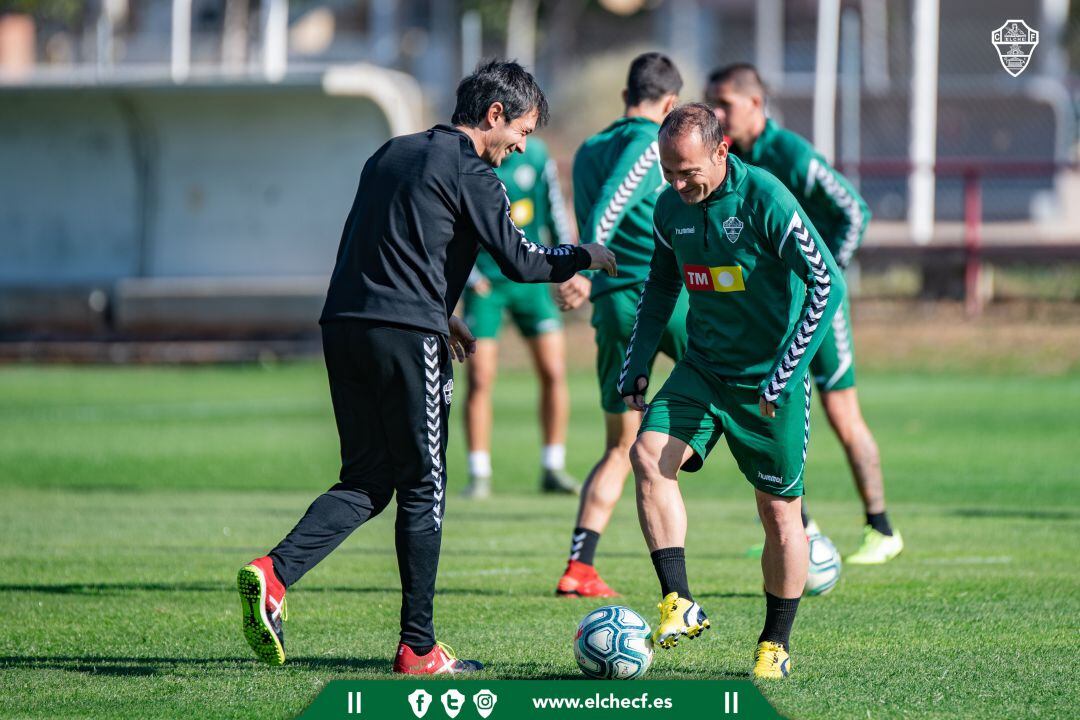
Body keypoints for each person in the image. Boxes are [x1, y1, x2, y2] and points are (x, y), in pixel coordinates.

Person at [235, 60, 616, 674]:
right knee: (424, 486)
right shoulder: (472, 169)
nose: (522, 145)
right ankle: (418, 647)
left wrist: (440, 313)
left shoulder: (391, 152)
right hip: (405, 334)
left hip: (345, 325)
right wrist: (587, 256)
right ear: (494, 115)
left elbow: (378, 242)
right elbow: (522, 262)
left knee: (367, 479)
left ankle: (273, 572)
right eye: (520, 130)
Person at [621, 104, 845, 678]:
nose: (675, 183)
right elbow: (663, 282)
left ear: (722, 151)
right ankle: (679, 601)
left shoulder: (765, 198)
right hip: (703, 368)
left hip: (771, 380)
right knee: (647, 454)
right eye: (668, 171)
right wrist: (638, 361)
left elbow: (828, 282)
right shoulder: (671, 206)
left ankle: (775, 643)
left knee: (778, 514)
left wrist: (786, 372)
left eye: (687, 170)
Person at [705, 63, 902, 564]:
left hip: (816, 309)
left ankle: (881, 527)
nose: (718, 113)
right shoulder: (722, 161)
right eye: (712, 103)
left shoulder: (790, 154)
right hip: (767, 316)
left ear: (755, 103)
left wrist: (826, 272)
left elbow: (854, 210)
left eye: (725, 103)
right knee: (768, 410)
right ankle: (801, 530)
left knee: (842, 414)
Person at [553, 52, 686, 598]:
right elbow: (612, 203)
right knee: (748, 393)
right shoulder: (647, 143)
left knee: (618, 444)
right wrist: (583, 262)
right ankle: (796, 522)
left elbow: (591, 201)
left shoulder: (588, 148)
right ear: (670, 104)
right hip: (654, 298)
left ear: (626, 93)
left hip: (611, 309)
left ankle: (579, 565)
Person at [460, 137, 581, 498]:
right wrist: (469, 276)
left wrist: (569, 264)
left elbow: (556, 213)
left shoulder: (538, 156)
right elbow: (452, 224)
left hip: (532, 279)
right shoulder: (474, 158)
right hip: (486, 282)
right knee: (480, 378)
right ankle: (479, 473)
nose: (523, 139)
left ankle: (552, 466)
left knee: (553, 371)